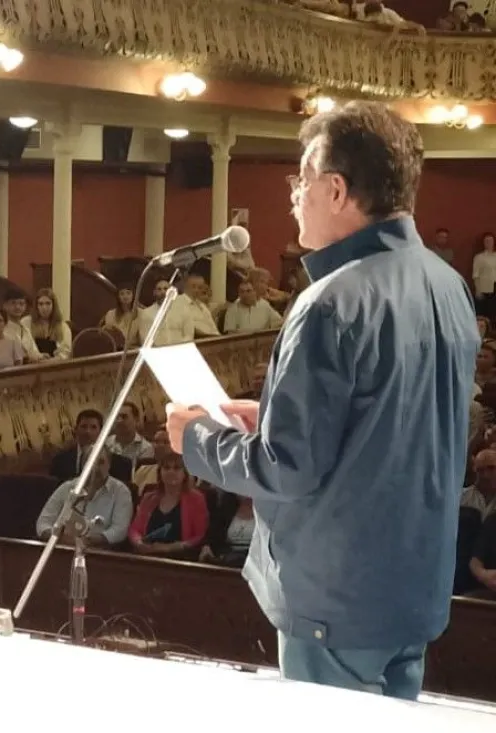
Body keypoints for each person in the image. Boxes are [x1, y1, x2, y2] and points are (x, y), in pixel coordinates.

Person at [164, 102, 479, 700]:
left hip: (336, 597)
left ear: (336, 190)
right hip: (413, 587)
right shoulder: (448, 284)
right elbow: (397, 426)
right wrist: (274, 418)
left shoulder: (330, 302)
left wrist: (198, 440)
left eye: (302, 179)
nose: (294, 195)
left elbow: (288, 468)